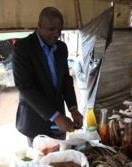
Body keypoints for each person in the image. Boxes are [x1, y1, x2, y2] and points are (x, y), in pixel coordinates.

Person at [12, 6, 83, 147]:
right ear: (40, 24)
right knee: (42, 160)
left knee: (60, 158)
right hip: (36, 122)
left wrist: (73, 109)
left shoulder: (61, 48)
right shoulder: (23, 48)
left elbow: (66, 81)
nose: (56, 34)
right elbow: (26, 88)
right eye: (52, 29)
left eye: (59, 30)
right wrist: (56, 116)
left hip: (59, 125)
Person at [73, 55, 88, 131]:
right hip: (84, 87)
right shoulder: (79, 59)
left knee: (89, 106)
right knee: (83, 106)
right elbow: (78, 73)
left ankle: (86, 126)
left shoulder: (89, 57)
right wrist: (88, 77)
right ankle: (80, 126)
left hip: (90, 86)